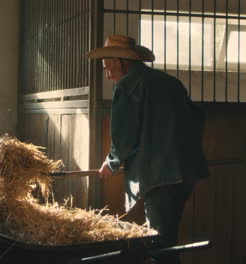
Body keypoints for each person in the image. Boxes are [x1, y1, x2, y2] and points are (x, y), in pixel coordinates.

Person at [87, 35, 208, 263]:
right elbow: (197, 117)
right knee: (168, 238)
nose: (107, 74)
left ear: (118, 61)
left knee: (160, 243)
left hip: (160, 175)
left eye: (107, 67)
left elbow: (124, 135)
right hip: (186, 173)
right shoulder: (170, 82)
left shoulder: (128, 86)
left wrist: (111, 162)